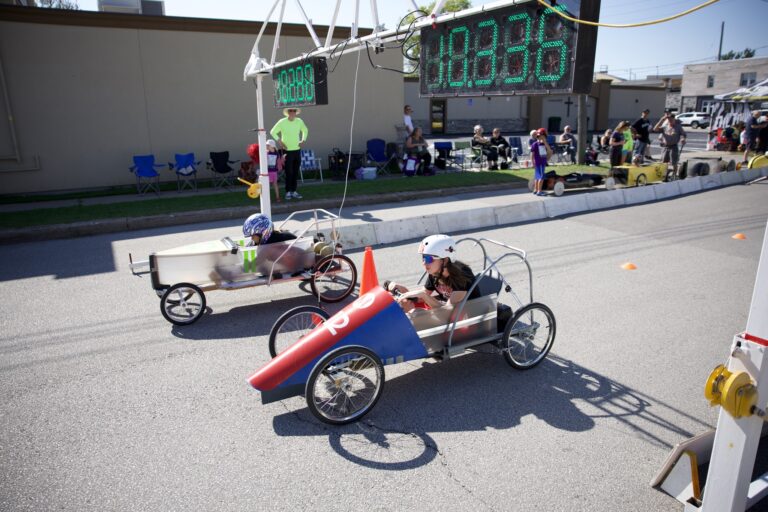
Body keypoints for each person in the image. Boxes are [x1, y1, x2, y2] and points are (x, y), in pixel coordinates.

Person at [384, 234, 479, 314]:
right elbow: (420, 297)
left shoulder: (462, 274)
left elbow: (447, 311)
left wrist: (423, 295)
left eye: (429, 259)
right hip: (446, 311)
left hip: (468, 316)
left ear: (445, 260)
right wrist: (402, 291)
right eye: (423, 258)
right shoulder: (435, 273)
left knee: (416, 314)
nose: (424, 263)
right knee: (406, 305)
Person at [270, 107, 308, 200]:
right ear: (287, 112)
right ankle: (288, 192)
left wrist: (303, 140)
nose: (292, 112)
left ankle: (294, 191)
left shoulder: (299, 121)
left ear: (296, 112)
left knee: (295, 172)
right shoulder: (282, 122)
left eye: (294, 111)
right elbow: (273, 132)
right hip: (287, 151)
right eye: (290, 110)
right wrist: (279, 141)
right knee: (289, 172)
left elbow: (305, 130)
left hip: (297, 150)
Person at [530, 128, 552, 196]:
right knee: (541, 177)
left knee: (537, 177)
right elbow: (532, 155)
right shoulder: (536, 144)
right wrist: (533, 162)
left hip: (539, 163)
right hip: (540, 163)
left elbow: (549, 150)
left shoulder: (540, 144)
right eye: (543, 136)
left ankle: (535, 190)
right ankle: (539, 191)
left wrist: (545, 142)